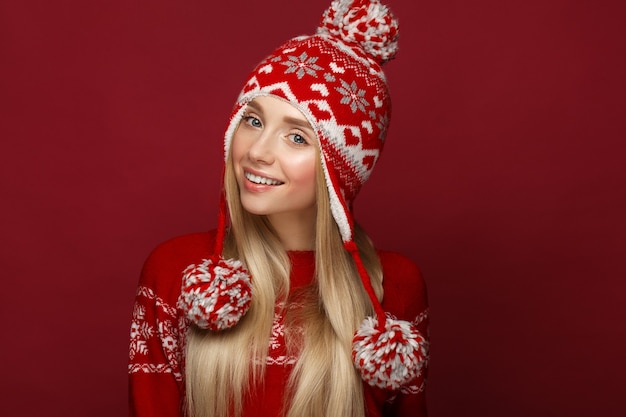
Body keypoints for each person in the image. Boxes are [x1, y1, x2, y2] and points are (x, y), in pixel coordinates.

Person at [128, 0, 429, 416]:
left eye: (298, 137)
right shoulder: (178, 272)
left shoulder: (395, 289)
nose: (258, 152)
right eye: (253, 121)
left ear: (341, 170)